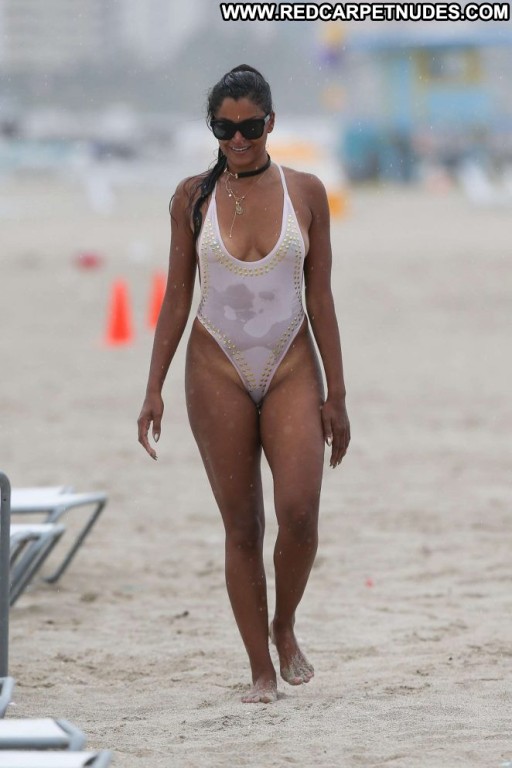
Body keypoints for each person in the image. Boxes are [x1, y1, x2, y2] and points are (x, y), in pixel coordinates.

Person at [137, 64, 350, 704]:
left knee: (300, 513)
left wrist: (337, 395)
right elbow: (177, 298)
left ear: (271, 123)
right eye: (224, 128)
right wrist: (153, 388)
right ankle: (261, 668)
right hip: (215, 368)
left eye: (250, 127)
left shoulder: (306, 192)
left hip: (291, 365)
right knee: (242, 527)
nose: (237, 139)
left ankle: (284, 625)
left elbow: (320, 298)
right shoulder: (191, 197)